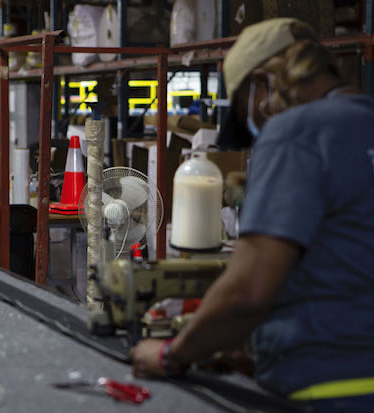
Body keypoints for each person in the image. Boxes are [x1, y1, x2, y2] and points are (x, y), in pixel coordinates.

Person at [131, 18, 374, 411]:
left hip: (329, 389)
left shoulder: (297, 131)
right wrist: (259, 362)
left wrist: (172, 354)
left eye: (244, 104)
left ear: (264, 84)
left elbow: (248, 292)